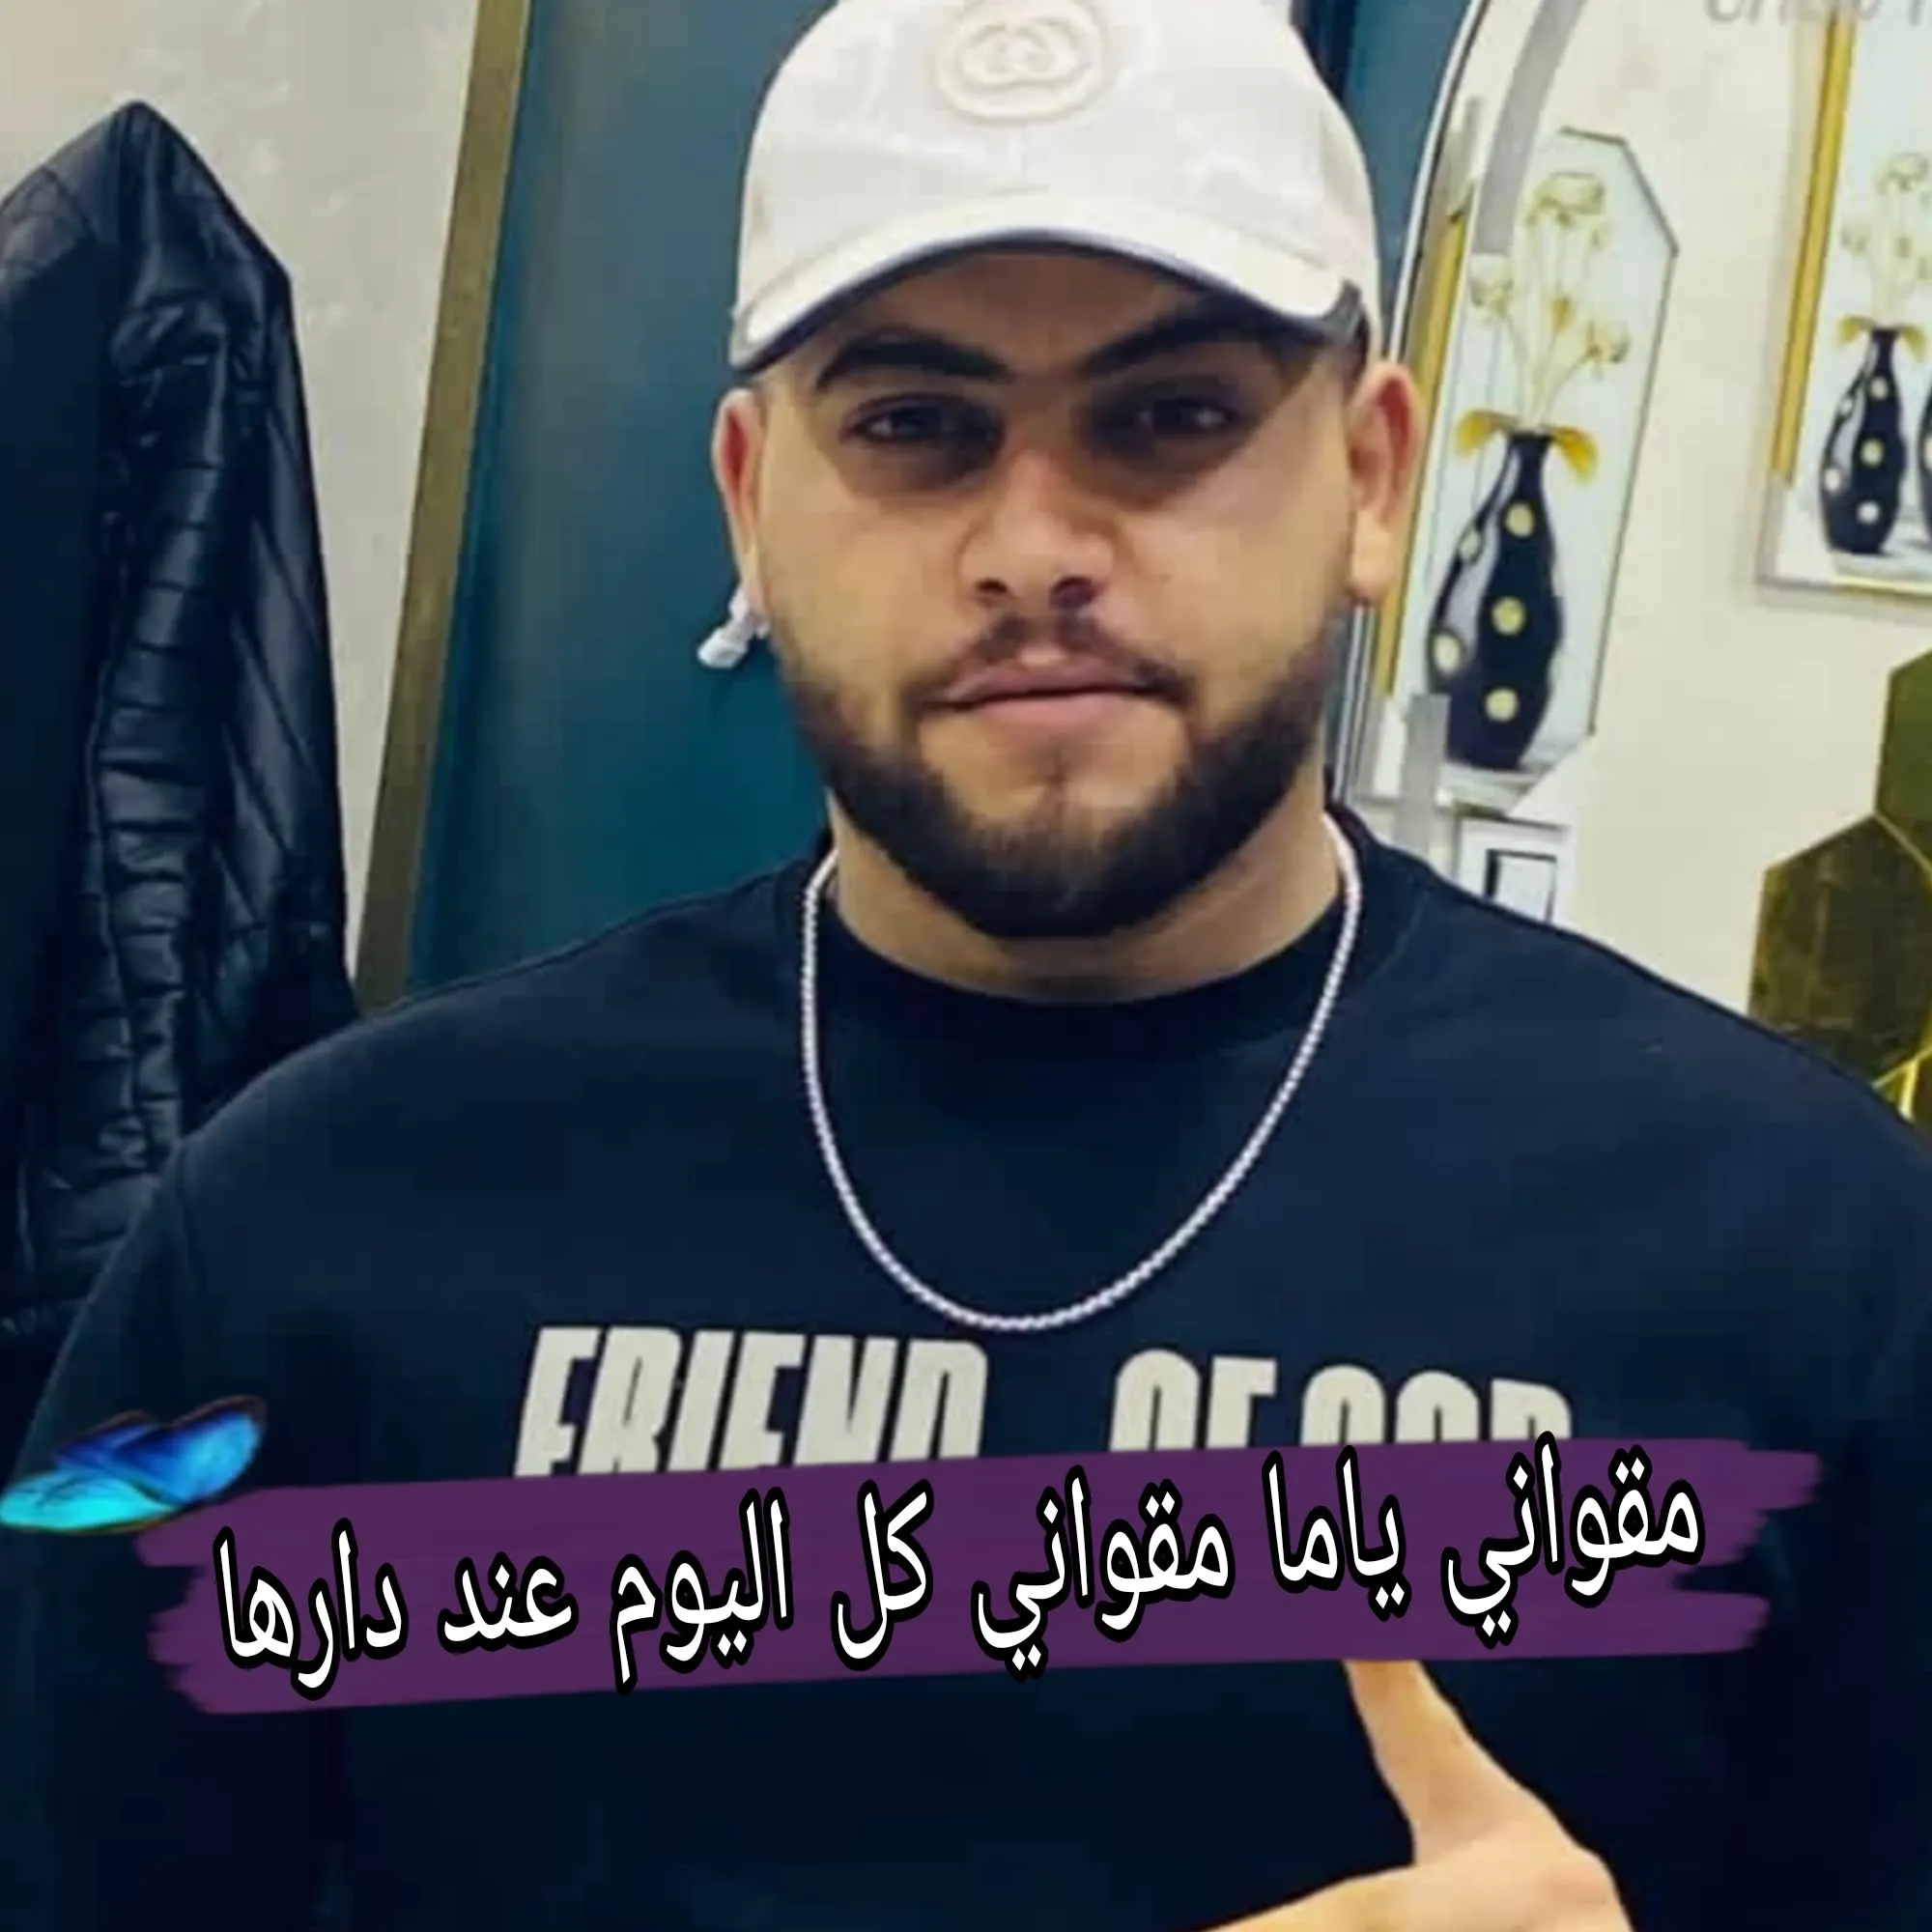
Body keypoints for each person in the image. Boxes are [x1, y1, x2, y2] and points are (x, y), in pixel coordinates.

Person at [3, 0, 1929, 1925]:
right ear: (752, 502)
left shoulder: (1807, 1259)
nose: (1032, 544)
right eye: (915, 425)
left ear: (1370, 475)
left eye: (1169, 417)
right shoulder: (325, 1221)